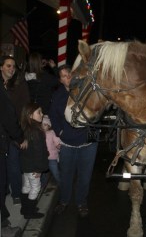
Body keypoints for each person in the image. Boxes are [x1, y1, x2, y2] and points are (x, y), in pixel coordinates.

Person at [49, 64, 98, 218]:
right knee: (66, 175)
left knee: (85, 176)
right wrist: (60, 132)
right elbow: (53, 116)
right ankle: (64, 200)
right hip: (67, 143)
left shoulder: (87, 91)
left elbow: (98, 110)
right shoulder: (58, 95)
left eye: (69, 74)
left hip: (87, 143)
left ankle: (81, 202)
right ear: (60, 80)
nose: (67, 78)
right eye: (63, 76)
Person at [0, 62, 27, 236]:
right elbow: (9, 117)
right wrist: (20, 138)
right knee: (2, 183)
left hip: (6, 137)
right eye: (8, 66)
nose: (12, 69)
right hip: (4, 139)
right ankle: (3, 224)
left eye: (13, 66)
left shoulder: (13, 86)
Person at [19, 102, 48, 219]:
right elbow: (39, 153)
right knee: (35, 188)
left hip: (26, 165)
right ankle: (29, 212)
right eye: (39, 112)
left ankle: (24, 208)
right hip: (33, 167)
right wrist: (40, 169)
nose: (42, 114)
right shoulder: (36, 132)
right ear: (30, 115)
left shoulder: (26, 128)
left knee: (26, 186)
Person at [42, 115, 61, 185]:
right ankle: (43, 185)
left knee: (55, 172)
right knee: (43, 173)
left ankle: (61, 183)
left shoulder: (52, 133)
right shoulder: (39, 133)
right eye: (41, 125)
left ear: (49, 126)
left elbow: (57, 141)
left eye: (45, 125)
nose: (43, 127)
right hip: (43, 158)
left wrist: (58, 145)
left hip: (52, 157)